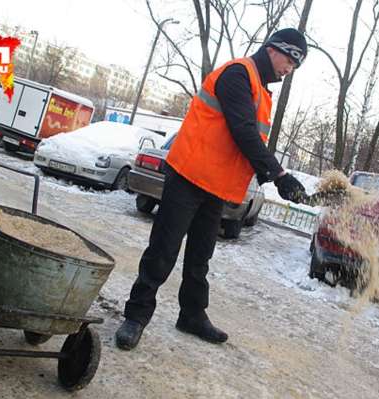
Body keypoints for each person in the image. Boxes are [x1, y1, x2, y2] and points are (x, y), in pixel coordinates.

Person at [115, 28, 309, 350]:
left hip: (215, 184)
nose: (289, 69)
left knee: (200, 257)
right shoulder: (238, 74)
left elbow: (248, 139)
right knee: (163, 250)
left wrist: (274, 176)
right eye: (290, 59)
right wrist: (278, 174)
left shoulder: (260, 89)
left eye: (295, 66)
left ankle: (191, 315)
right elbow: (243, 132)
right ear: (273, 49)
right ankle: (136, 316)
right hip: (189, 174)